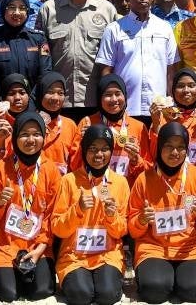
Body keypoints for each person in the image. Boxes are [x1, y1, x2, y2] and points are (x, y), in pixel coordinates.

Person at [127, 121, 196, 304]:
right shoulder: (144, 179)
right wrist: (142, 220)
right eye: (168, 146)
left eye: (181, 147)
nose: (175, 153)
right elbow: (133, 231)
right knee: (154, 291)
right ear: (159, 148)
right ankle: (165, 277)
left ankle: (182, 277)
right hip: (154, 248)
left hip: (191, 248)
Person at [0, 111, 60, 302]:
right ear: (15, 137)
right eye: (24, 134)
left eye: (36, 134)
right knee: (8, 293)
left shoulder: (50, 170)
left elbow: (52, 216)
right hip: (5, 247)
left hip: (37, 245)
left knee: (41, 291)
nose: (31, 140)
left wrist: (39, 249)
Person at [51, 124, 130, 305]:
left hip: (107, 255)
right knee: (81, 295)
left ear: (112, 152)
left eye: (104, 149)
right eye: (92, 149)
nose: (99, 155)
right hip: (74, 256)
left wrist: (111, 216)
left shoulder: (120, 182)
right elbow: (57, 228)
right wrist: (77, 210)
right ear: (84, 151)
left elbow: (122, 231)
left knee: (107, 295)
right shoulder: (69, 181)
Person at [35, 0, 118, 116]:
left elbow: (115, 57)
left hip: (96, 99)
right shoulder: (48, 10)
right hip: (57, 100)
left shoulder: (107, 10)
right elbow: (40, 57)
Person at [96, 0, 179, 124]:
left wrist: (171, 103)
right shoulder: (114, 29)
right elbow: (106, 72)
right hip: (124, 110)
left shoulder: (165, 28)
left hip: (159, 110)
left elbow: (171, 71)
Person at [78, 74, 148, 181]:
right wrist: (83, 145)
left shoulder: (139, 127)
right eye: (108, 94)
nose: (114, 99)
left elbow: (148, 172)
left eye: (118, 94)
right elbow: (75, 166)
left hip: (127, 192)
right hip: (94, 189)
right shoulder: (87, 123)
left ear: (125, 95)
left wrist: (135, 159)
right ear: (99, 98)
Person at [0, 0, 51, 90]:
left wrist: (32, 101)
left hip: (33, 101)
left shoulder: (38, 38)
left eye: (22, 8)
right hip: (0, 103)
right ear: (3, 10)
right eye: (11, 7)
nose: (17, 12)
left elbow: (46, 73)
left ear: (27, 11)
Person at [148, 68, 196, 178]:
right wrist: (156, 124)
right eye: (180, 86)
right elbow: (154, 156)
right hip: (171, 182)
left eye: (191, 85)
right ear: (173, 90)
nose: (186, 90)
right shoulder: (163, 116)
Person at [36, 72, 79, 174]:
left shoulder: (70, 125)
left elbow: (75, 162)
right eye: (50, 92)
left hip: (63, 185)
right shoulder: (30, 123)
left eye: (60, 93)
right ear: (40, 94)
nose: (55, 98)